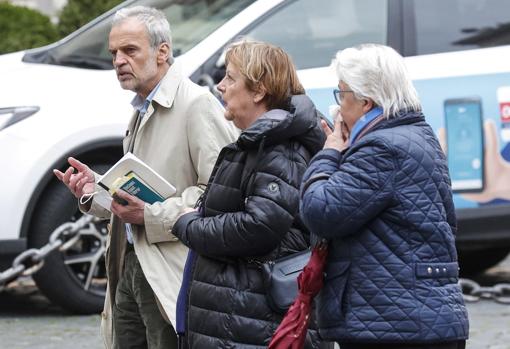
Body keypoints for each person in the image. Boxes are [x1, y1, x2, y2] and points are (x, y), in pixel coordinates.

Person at [54, 6, 237, 349]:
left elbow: (219, 194)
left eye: (130, 50)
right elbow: (138, 193)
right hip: (131, 262)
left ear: (162, 51)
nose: (119, 61)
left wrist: (150, 215)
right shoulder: (140, 107)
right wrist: (96, 190)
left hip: (174, 269)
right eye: (114, 53)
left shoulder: (197, 104)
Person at [299, 44, 469, 349]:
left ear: (366, 101)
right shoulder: (417, 135)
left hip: (394, 325)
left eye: (342, 95)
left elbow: (320, 211)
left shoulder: (382, 149)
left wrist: (329, 153)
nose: (337, 108)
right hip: (418, 318)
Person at [171, 40, 327, 348]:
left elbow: (259, 227)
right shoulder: (260, 142)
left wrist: (189, 224)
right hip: (237, 318)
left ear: (259, 91)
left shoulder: (281, 148)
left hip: (251, 325)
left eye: (230, 78)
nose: (220, 86)